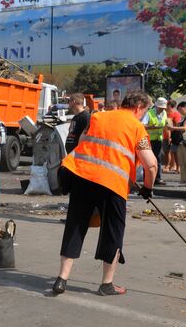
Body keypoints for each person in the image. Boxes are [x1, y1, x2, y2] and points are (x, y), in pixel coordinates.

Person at [53, 90, 157, 296]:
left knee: (75, 225)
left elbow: (84, 142)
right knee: (113, 230)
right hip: (112, 185)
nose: (143, 115)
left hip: (81, 176)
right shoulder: (137, 128)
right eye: (145, 111)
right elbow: (151, 165)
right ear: (138, 107)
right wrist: (147, 188)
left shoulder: (98, 116)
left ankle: (61, 279)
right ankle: (106, 284)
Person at [167, 102, 186, 188]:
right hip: (182, 141)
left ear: (185, 107)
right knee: (182, 161)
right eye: (178, 109)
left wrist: (172, 128)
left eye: (180, 108)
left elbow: (185, 127)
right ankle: (183, 180)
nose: (179, 111)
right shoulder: (182, 117)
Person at [143, 97, 167, 185]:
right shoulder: (149, 113)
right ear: (156, 106)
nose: (162, 110)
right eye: (161, 108)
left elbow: (165, 123)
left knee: (158, 159)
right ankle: (147, 179)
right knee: (147, 160)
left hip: (158, 139)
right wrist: (152, 127)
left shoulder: (164, 113)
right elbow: (142, 126)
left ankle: (158, 178)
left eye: (163, 108)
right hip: (149, 140)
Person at [163, 100, 181, 173]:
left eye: (166, 105)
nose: (165, 107)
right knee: (166, 152)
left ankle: (177, 167)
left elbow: (177, 125)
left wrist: (170, 135)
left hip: (174, 136)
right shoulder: (164, 113)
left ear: (170, 106)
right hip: (165, 136)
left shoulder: (176, 114)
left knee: (175, 152)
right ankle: (168, 166)